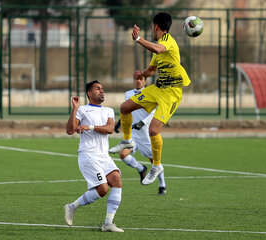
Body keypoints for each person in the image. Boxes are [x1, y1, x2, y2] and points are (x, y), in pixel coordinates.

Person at [110, 12, 191, 185]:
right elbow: (151, 71)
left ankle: (156, 166)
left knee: (153, 130)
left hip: (172, 93)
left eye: (151, 27)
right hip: (158, 88)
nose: (151, 30)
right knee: (125, 107)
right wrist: (142, 73)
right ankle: (127, 141)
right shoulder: (159, 45)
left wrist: (138, 39)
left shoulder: (168, 40)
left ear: (155, 26)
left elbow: (158, 49)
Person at [64, 80, 124, 233]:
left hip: (104, 156)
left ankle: (108, 224)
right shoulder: (82, 110)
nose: (102, 91)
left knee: (116, 179)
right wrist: (75, 109)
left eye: (102, 89)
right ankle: (72, 207)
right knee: (103, 189)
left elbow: (110, 129)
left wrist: (89, 127)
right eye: (98, 89)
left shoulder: (108, 111)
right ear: (89, 93)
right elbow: (70, 130)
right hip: (88, 155)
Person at [110, 75, 167, 195]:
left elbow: (153, 113)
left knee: (154, 161)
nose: (138, 81)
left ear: (145, 81)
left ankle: (162, 185)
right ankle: (141, 168)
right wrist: (119, 123)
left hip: (145, 133)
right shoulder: (128, 93)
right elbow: (126, 110)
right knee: (123, 155)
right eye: (136, 78)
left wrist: (142, 123)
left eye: (141, 79)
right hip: (132, 133)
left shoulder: (150, 93)